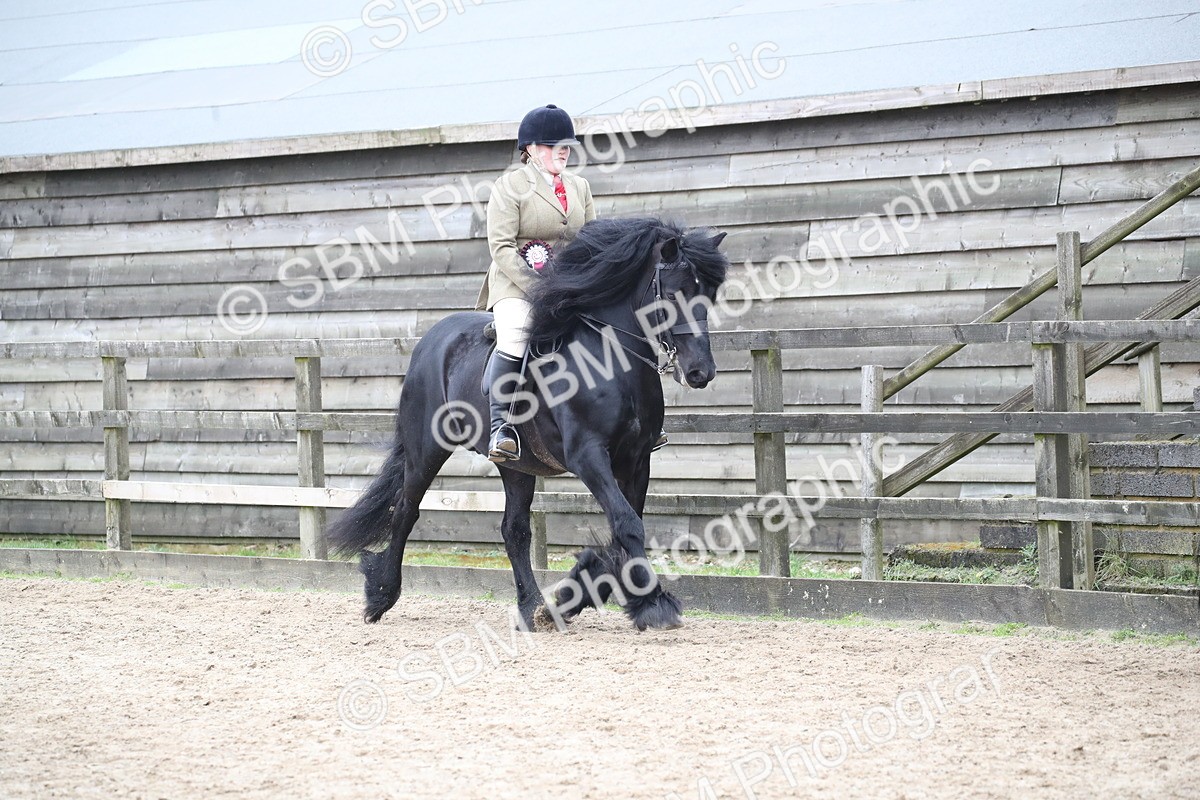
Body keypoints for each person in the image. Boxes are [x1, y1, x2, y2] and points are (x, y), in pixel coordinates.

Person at [475, 104, 596, 462]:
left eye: (566, 145)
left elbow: (590, 239)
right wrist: (537, 288)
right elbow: (500, 246)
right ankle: (502, 429)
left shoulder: (580, 186)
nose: (563, 151)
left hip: (568, 284)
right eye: (553, 145)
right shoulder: (509, 186)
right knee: (516, 332)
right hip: (517, 283)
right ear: (530, 149)